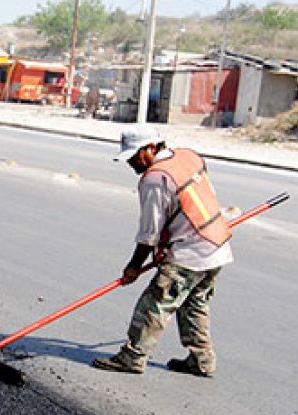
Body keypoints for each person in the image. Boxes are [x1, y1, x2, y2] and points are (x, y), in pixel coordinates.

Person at [92, 126, 233, 377]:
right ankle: (202, 361)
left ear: (149, 148)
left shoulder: (155, 179)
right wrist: (166, 244)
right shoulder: (188, 156)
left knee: (154, 305)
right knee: (194, 304)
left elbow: (149, 234)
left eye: (134, 156)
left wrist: (133, 267)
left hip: (190, 252)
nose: (131, 163)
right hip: (216, 245)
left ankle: (132, 357)